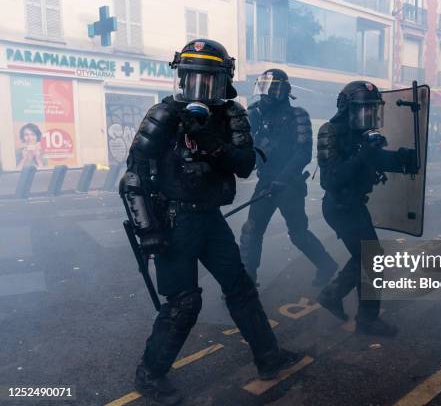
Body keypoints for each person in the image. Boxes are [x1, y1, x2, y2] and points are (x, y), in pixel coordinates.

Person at [120, 39, 300, 405]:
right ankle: (150, 373)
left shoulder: (230, 114)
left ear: (223, 82)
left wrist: (211, 141)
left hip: (211, 219)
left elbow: (246, 163)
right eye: (193, 78)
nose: (200, 88)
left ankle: (269, 357)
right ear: (182, 78)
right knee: (184, 303)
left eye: (209, 80)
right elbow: (134, 176)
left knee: (241, 287)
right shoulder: (164, 114)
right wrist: (148, 230)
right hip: (174, 221)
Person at [316, 81, 418, 337]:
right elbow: (331, 179)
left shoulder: (362, 135)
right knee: (372, 259)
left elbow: (377, 159)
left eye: (372, 110)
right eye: (362, 110)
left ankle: (332, 295)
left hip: (353, 205)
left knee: (364, 256)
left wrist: (402, 159)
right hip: (339, 206)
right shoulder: (331, 132)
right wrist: (364, 152)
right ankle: (367, 319)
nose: (368, 117)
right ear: (347, 110)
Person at [239, 68, 337, 286]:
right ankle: (247, 280)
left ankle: (326, 264)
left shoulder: (298, 116)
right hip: (266, 182)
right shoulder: (255, 113)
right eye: (263, 88)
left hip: (289, 185)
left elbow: (302, 153)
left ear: (284, 92)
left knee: (298, 233)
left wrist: (281, 180)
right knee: (252, 230)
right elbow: (244, 144)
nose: (266, 94)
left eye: (272, 89)